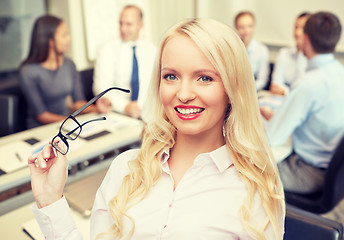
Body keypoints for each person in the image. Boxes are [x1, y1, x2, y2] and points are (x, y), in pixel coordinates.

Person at [28, 18, 285, 239]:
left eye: (204, 78)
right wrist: (50, 200)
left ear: (232, 88)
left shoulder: (255, 186)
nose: (183, 94)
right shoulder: (125, 169)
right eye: (171, 76)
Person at [265, 12, 344, 193]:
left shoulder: (308, 83)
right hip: (332, 171)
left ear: (305, 39)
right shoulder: (340, 72)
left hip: (308, 172)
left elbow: (273, 137)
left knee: (246, 170)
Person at [19, 15, 103, 129]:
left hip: (66, 126)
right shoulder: (28, 71)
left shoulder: (69, 64)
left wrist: (98, 108)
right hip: (41, 129)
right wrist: (72, 122)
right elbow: (42, 115)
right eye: (64, 35)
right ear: (50, 41)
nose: (69, 39)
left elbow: (78, 103)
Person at [93, 5, 156, 119]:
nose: (123, 29)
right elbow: (101, 87)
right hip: (117, 113)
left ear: (141, 25)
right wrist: (124, 106)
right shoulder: (107, 50)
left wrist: (141, 107)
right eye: (121, 23)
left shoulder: (152, 50)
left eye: (128, 24)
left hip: (147, 113)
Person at [270, 12, 311, 96]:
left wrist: (284, 91)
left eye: (302, 28)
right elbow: (275, 85)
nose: (298, 32)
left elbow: (302, 91)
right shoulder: (284, 53)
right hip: (278, 99)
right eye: (296, 27)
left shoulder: (311, 58)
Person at [234, 11, 270, 91]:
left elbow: (262, 80)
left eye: (249, 26)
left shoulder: (262, 50)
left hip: (253, 91)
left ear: (254, 27)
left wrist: (247, 90)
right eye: (241, 27)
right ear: (236, 28)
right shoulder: (232, 49)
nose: (246, 31)